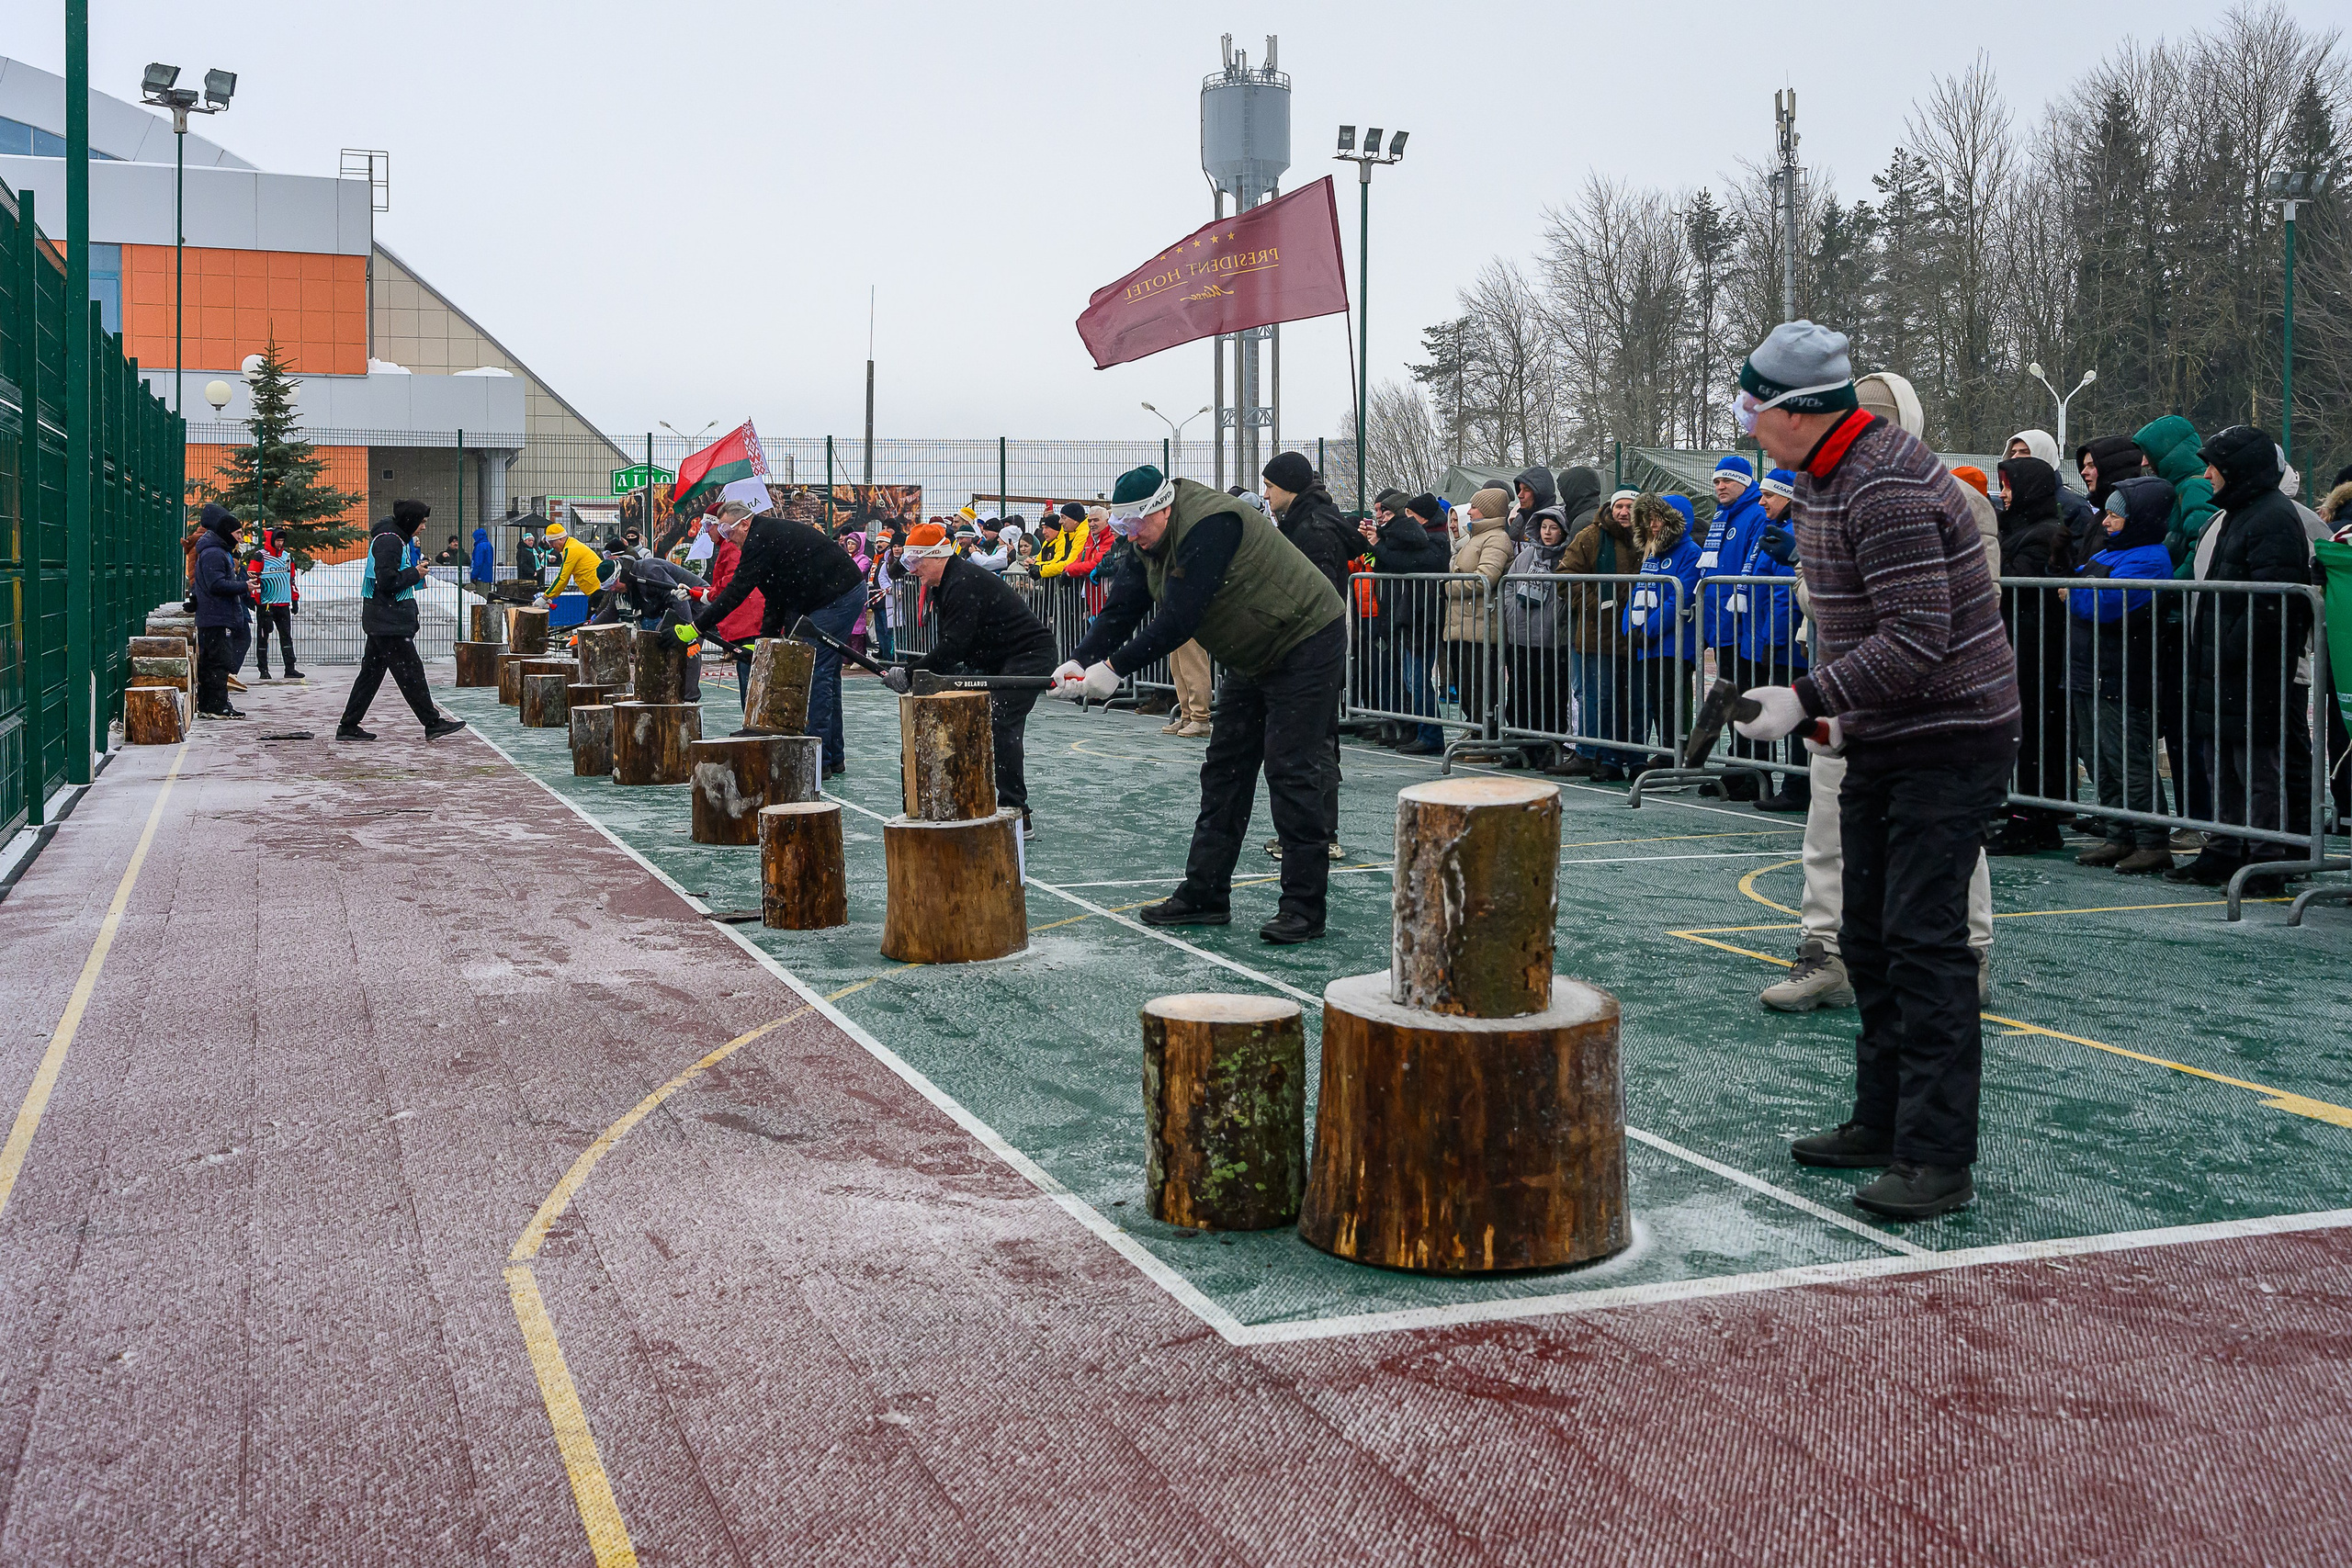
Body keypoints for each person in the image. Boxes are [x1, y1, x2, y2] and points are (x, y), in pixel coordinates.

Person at [1731, 320, 2017, 1221]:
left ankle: (1938, 1159)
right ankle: (1884, 1119)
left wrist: (1808, 696)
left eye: (1750, 405)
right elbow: (1866, 630)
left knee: (1924, 944)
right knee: (1867, 936)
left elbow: (1916, 637)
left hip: (1949, 733)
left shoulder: (1885, 484)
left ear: (1797, 411)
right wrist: (1840, 712)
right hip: (1885, 729)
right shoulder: (1821, 478)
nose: (1742, 423)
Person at [1053, 465, 1345, 944]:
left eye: (1135, 528)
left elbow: (1179, 617)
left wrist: (1113, 669)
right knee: (1225, 770)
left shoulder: (1213, 524)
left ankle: (1304, 908)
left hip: (1306, 638)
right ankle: (1205, 894)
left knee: (1291, 771)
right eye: (1122, 529)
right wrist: (1081, 659)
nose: (1131, 538)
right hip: (1253, 651)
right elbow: (1124, 605)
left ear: (1162, 510)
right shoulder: (1145, 537)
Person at [2165, 426, 2316, 894]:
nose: (2207, 474)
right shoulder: (2241, 513)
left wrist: (2231, 647)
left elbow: (2275, 603)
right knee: (2224, 765)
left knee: (2255, 769)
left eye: (2214, 465)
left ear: (2237, 470)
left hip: (2250, 670)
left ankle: (2262, 857)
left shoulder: (2272, 517)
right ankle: (2226, 849)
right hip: (2225, 667)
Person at [891, 523, 1058, 833]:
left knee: (1000, 718)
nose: (913, 571)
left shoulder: (962, 583)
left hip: (1028, 656)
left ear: (936, 556)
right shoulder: (947, 583)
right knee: (966, 712)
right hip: (996, 658)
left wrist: (912, 672)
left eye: (917, 563)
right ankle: (969, 799)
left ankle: (1016, 809)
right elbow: (954, 645)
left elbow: (954, 645)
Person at [691, 490, 868, 776]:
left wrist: (697, 626)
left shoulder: (758, 540)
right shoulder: (765, 538)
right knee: (827, 674)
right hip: (832, 594)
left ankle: (817, 761)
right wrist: (764, 642)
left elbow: (737, 591)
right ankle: (832, 757)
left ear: (744, 523)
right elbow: (774, 595)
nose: (724, 536)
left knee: (815, 673)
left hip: (837, 596)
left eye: (726, 529)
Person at [2066, 474, 2177, 874]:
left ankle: (2151, 840)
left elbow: (2105, 606)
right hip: (2090, 670)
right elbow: (2086, 589)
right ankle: (2119, 834)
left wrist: (2078, 588)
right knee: (2101, 760)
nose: (2108, 521)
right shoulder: (2114, 553)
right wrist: (2085, 586)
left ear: (2140, 518)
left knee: (2128, 760)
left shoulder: (2150, 558)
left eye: (2117, 514)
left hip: (2120, 674)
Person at [1261, 451, 1360, 862]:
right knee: (1306, 741)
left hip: (1314, 647)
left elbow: (1313, 593)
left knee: (1314, 741)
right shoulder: (1304, 521)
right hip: (1305, 646)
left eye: (1269, 486)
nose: (1265, 494)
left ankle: (1320, 833)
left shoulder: (1314, 527)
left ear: (1289, 487)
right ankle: (1306, 832)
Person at [1986, 455, 2075, 855]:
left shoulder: (2043, 533)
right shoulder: (2018, 529)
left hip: (2036, 648)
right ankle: (2027, 811)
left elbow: (2015, 586)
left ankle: (2035, 817)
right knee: (2025, 734)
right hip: (2018, 644)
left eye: (2009, 486)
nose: (2003, 495)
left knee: (2036, 734)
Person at [339, 499, 465, 742]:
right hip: (388, 621)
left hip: (383, 619)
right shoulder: (389, 541)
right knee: (411, 672)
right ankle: (432, 722)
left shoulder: (392, 538)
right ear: (410, 521)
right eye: (422, 522)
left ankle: (348, 725)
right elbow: (386, 581)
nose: (424, 527)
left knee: (371, 675)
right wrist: (414, 574)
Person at [1697, 455, 1773, 799]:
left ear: (1745, 482)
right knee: (1730, 700)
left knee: (1747, 700)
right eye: (1716, 482)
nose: (1720, 487)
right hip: (1724, 626)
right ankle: (1737, 768)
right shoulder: (1721, 517)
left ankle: (1756, 772)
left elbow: (1751, 572)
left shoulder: (1756, 515)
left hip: (1744, 628)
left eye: (1727, 481)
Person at [1556, 487, 1641, 779]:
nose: (1623, 512)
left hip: (1636, 634)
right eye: (1619, 506)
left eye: (1630, 506)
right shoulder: (1591, 536)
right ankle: (1590, 751)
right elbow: (1565, 575)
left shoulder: (1648, 538)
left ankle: (1627, 754)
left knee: (1632, 698)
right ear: (1610, 507)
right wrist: (1596, 605)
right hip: (1595, 632)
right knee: (1596, 696)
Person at [1359, 493, 1451, 756]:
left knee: (1419, 678)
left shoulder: (1436, 541)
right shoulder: (1426, 539)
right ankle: (1425, 732)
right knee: (1412, 678)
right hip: (1412, 615)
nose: (1405, 522)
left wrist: (1378, 542)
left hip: (1424, 616)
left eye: (1409, 517)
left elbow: (1405, 562)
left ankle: (1431, 733)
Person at [1623, 492, 1702, 765]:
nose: (1653, 525)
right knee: (1656, 700)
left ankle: (1675, 754)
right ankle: (1667, 751)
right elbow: (1637, 594)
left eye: (1659, 518)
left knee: (1672, 702)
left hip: (1672, 644)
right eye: (1649, 519)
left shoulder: (1691, 553)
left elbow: (1679, 599)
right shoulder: (1651, 553)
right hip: (1649, 644)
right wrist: (1628, 627)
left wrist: (1649, 630)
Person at [1444, 487, 1514, 743]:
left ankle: (1488, 733)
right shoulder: (1475, 538)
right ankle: (1476, 728)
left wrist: (1448, 585)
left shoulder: (1496, 539)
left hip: (1482, 626)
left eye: (1474, 507)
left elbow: (1485, 578)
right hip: (1463, 625)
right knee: (1466, 683)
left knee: (1481, 685)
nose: (1469, 511)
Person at [1502, 507, 1573, 759]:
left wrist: (1558, 616)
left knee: (1552, 695)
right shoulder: (1526, 556)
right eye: (1544, 527)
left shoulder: (1567, 557)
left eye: (1553, 528)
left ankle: (1549, 745)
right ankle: (1525, 745)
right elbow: (1508, 585)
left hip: (1554, 640)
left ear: (1562, 530)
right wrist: (1512, 612)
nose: (1547, 533)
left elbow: (1570, 591)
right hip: (1522, 636)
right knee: (1522, 692)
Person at [594, 552, 710, 700]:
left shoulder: (649, 572)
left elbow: (678, 598)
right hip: (675, 607)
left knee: (687, 651)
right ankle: (663, 692)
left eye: (613, 584)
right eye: (608, 587)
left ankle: (689, 698)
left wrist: (690, 635)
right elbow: (610, 612)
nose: (613, 589)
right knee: (657, 644)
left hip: (696, 602)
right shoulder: (623, 586)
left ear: (621, 575)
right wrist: (585, 631)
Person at [190, 503, 252, 718]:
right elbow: (217, 584)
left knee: (213, 661)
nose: (241, 538)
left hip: (215, 615)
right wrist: (245, 586)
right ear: (227, 533)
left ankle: (211, 704)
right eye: (238, 533)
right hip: (217, 616)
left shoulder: (216, 551)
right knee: (219, 661)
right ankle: (217, 705)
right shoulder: (215, 553)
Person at [704, 502, 769, 705]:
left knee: (749, 675)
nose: (707, 533)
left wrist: (707, 595)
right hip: (746, 621)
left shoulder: (731, 546)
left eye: (708, 527)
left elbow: (731, 581)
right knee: (749, 675)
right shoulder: (728, 546)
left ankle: (753, 723)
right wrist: (700, 593)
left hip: (747, 622)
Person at [2005, 427, 2099, 553]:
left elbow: (2078, 556)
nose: (2015, 458)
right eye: (2012, 453)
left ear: (2044, 455)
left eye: (2024, 452)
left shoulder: (2074, 506)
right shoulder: (2011, 500)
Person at [250, 527, 302, 682]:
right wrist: (254, 598)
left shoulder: (287, 557)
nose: (280, 544)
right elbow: (253, 577)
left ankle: (290, 668)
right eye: (278, 541)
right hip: (266, 603)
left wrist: (294, 599)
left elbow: (291, 579)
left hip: (283, 603)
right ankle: (263, 669)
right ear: (271, 540)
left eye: (282, 541)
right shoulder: (260, 556)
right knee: (263, 636)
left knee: (286, 636)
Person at [537, 522, 605, 604]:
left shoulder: (571, 550)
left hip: (598, 592)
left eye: (552, 543)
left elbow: (563, 578)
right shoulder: (572, 545)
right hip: (598, 589)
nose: (551, 546)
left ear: (561, 539)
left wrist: (545, 597)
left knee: (595, 617)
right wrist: (550, 596)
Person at [469, 525, 494, 589]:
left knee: (481, 596)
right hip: (488, 575)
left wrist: (473, 575)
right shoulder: (489, 545)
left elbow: (478, 563)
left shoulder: (479, 546)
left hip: (481, 576)